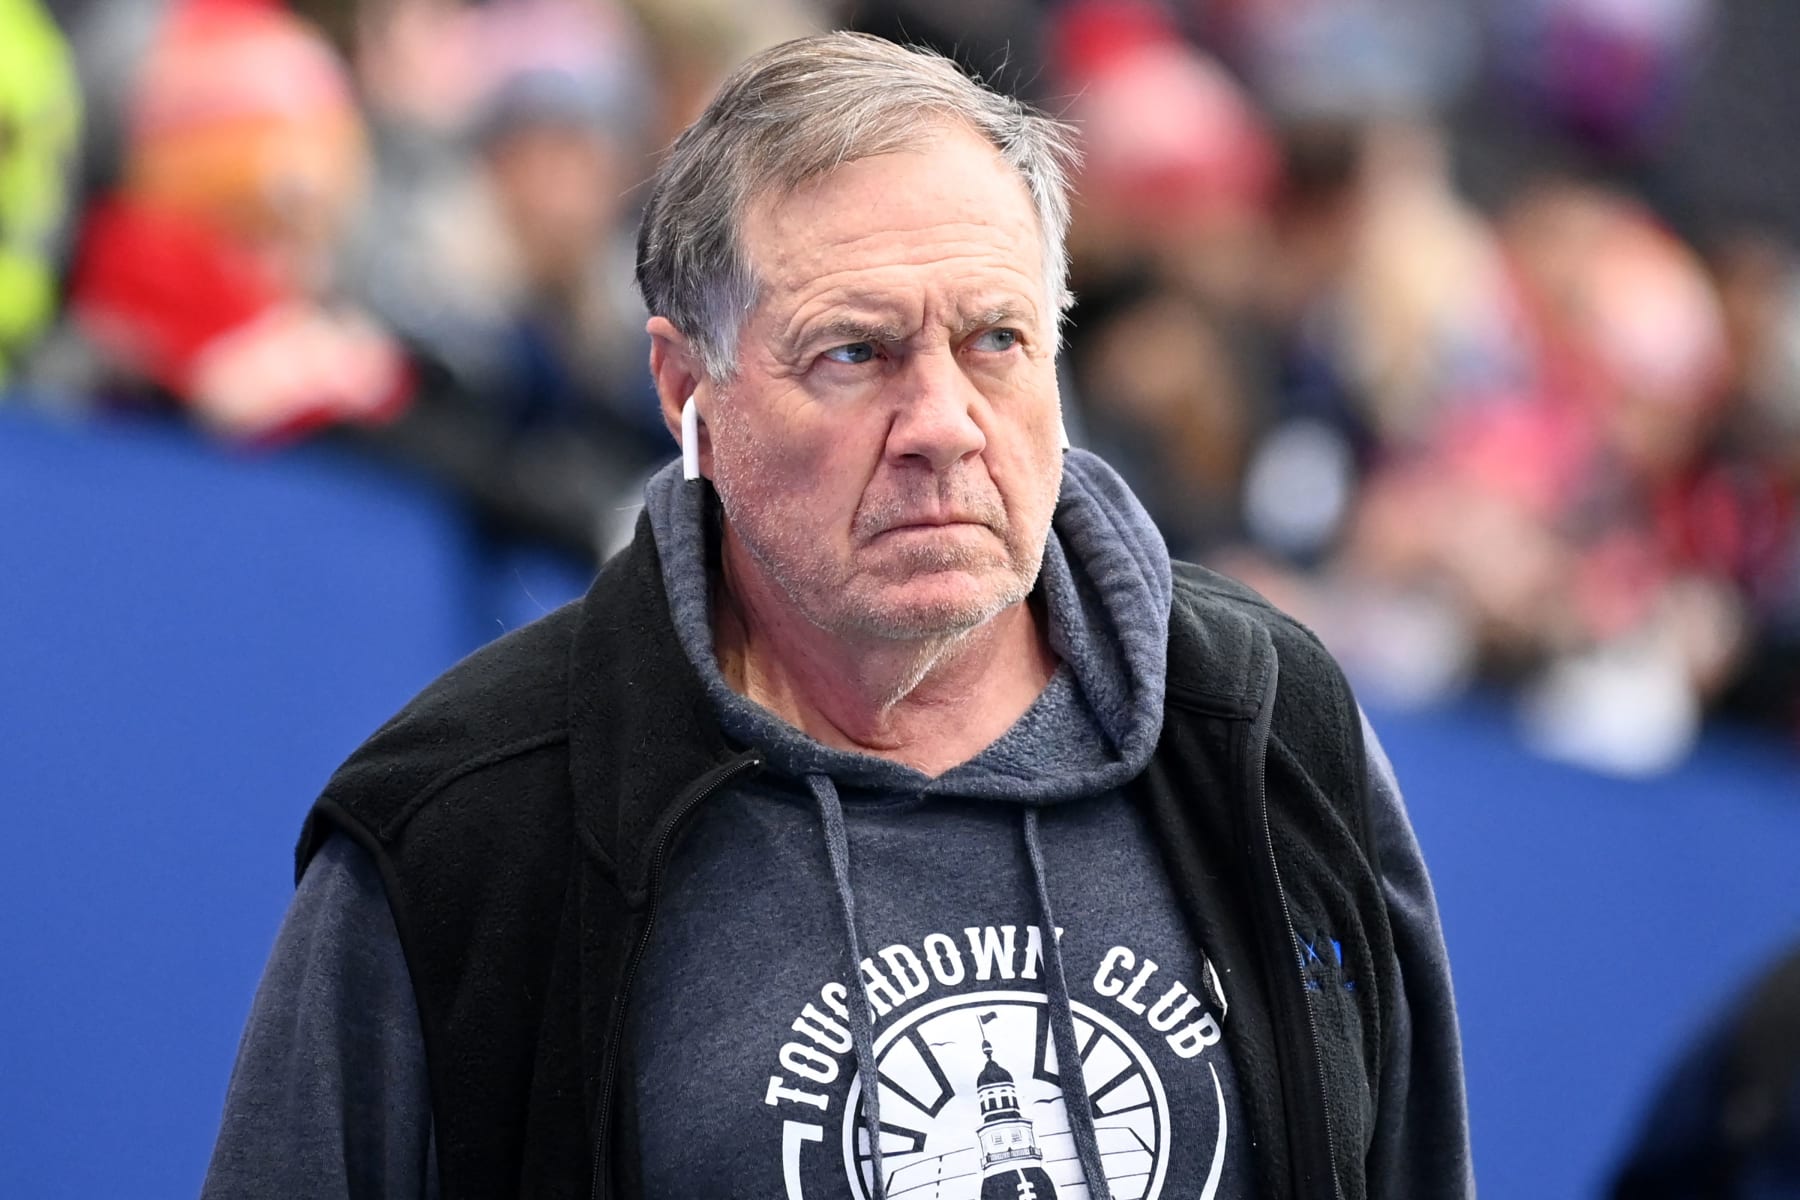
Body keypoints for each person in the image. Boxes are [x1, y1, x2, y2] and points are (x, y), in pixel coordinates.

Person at [202, 32, 1472, 1200]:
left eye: (996, 340)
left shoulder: (1262, 729)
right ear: (685, 386)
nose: (942, 426)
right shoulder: (466, 828)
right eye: (853, 354)